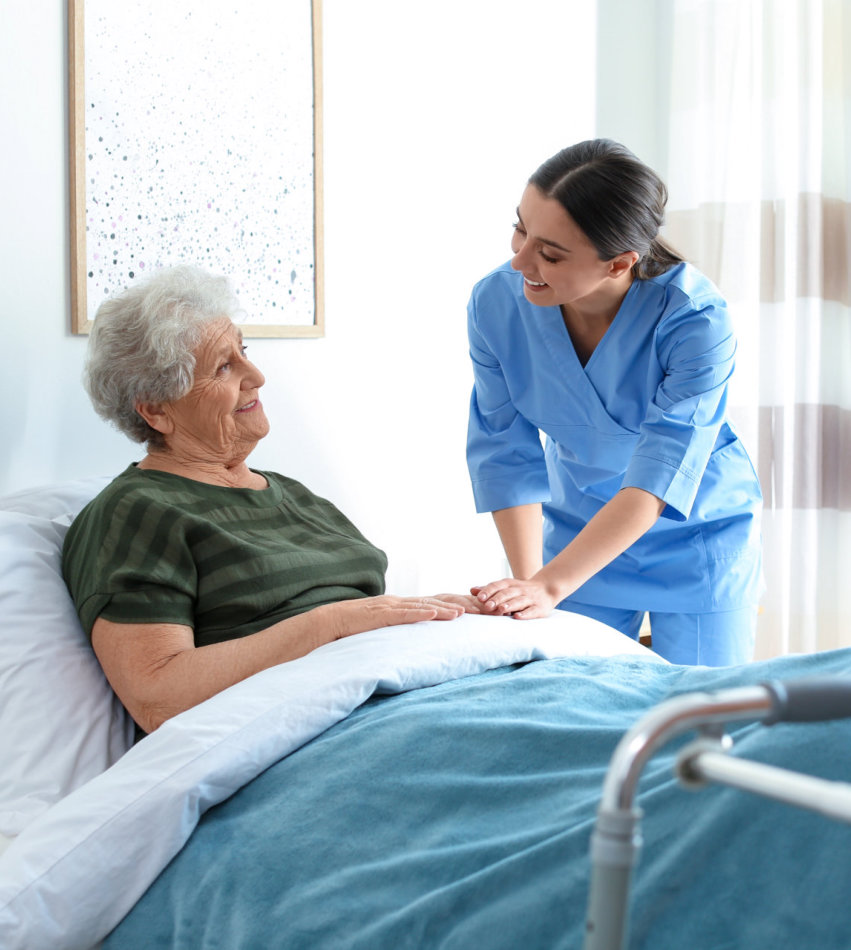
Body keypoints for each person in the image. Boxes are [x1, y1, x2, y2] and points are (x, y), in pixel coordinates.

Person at [63, 265, 477, 735]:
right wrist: (331, 626)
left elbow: (364, 614)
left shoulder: (295, 496)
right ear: (156, 409)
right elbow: (160, 697)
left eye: (243, 351)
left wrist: (442, 612)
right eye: (224, 366)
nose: (256, 375)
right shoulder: (137, 512)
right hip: (320, 734)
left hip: (407, 695)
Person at [466, 139, 763, 666]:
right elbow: (504, 452)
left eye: (549, 253)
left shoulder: (696, 319)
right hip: (580, 532)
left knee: (702, 718)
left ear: (619, 263)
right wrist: (531, 584)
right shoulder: (495, 303)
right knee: (571, 705)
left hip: (697, 537)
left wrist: (550, 587)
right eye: (520, 229)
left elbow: (659, 475)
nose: (519, 261)